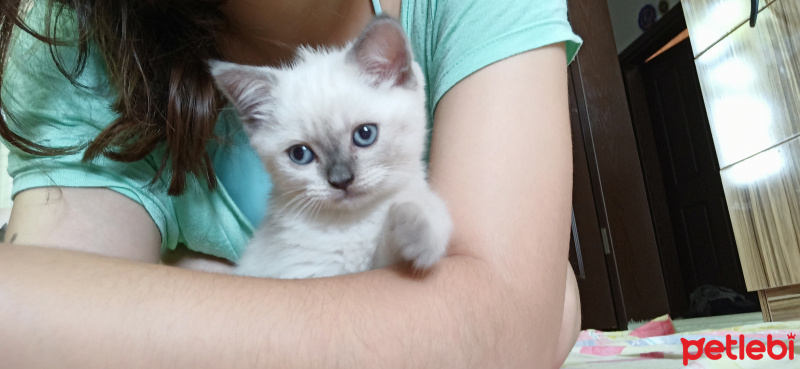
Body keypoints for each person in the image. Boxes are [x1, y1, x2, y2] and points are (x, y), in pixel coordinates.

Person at [0, 0, 583, 367]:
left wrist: (182, 279)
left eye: (360, 138)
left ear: (401, 76)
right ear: (255, 127)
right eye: (304, 154)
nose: (338, 175)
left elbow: (509, 329)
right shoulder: (71, 38)